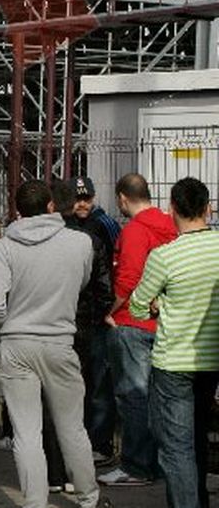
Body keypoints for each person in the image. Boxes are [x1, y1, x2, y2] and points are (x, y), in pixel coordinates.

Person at [0, 180, 106, 508]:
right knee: (72, 427)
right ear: (52, 205)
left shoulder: (6, 246)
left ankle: (35, 501)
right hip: (59, 340)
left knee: (26, 432)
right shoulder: (80, 243)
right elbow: (80, 283)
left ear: (19, 210)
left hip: (16, 342)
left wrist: (8, 325)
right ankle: (88, 496)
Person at [128, 177, 219, 508]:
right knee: (199, 434)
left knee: (177, 446)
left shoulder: (165, 257)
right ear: (208, 209)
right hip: (212, 358)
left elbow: (138, 305)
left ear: (172, 210)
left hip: (174, 363)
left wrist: (160, 304)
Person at [99, 172, 177, 487]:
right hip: (164, 322)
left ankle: (136, 465)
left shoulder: (133, 232)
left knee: (132, 396)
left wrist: (111, 311)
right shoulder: (170, 227)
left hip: (132, 320)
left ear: (122, 198)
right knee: (159, 397)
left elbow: (128, 279)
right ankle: (156, 461)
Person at [68, 175, 120, 465]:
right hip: (72, 315)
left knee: (98, 384)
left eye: (87, 198)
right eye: (78, 199)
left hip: (96, 317)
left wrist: (107, 311)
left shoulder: (104, 225)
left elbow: (112, 271)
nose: (83, 203)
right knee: (79, 384)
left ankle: (100, 443)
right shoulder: (65, 225)